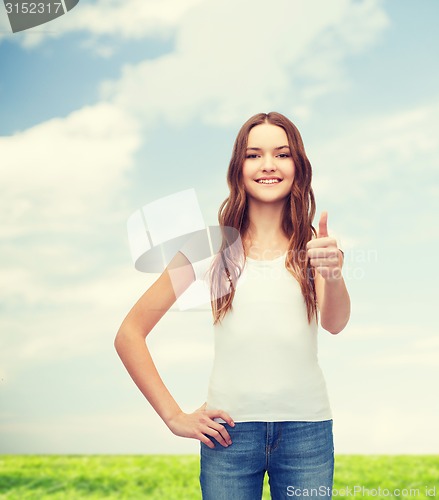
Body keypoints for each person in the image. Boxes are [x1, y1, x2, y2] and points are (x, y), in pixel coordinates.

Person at [114, 111, 351, 499]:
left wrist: (333, 273)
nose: (269, 165)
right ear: (238, 168)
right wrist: (174, 416)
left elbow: (335, 323)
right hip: (228, 434)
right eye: (254, 155)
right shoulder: (208, 246)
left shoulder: (316, 247)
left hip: (306, 431)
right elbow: (129, 334)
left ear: (299, 167)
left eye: (282, 154)